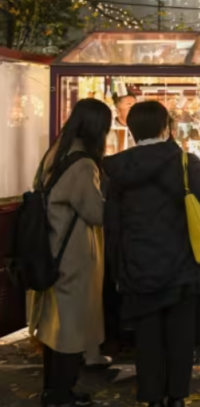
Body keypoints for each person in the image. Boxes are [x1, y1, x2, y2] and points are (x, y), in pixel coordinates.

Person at [103, 101, 200, 407]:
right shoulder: (183, 161)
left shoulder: (117, 169)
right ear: (166, 127)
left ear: (132, 130)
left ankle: (151, 397)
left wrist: (118, 268)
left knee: (147, 337)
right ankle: (177, 396)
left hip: (137, 264)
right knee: (180, 336)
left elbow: (112, 224)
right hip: (181, 264)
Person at [27, 99, 112, 407]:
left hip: (51, 250)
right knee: (71, 331)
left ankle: (53, 390)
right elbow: (95, 213)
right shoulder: (83, 164)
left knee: (54, 329)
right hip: (73, 257)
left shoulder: (56, 153)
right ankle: (61, 394)